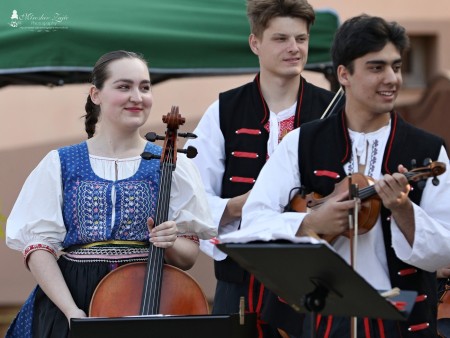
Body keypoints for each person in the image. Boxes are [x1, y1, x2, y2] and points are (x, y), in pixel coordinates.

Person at [234, 14, 450, 337]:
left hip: (403, 318)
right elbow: (252, 222)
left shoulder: (429, 149)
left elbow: (446, 247)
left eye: (397, 66)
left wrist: (404, 210)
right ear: (344, 74)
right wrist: (309, 224)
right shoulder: (302, 142)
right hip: (324, 318)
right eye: (376, 68)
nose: (391, 78)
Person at [5, 50, 216, 338]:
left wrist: (170, 242)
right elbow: (39, 247)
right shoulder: (60, 162)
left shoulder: (173, 164)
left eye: (144, 87)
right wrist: (71, 311)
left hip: (147, 298)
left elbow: (188, 255)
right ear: (96, 94)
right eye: (123, 86)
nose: (137, 96)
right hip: (71, 299)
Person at [185, 0, 343, 336]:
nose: (294, 48)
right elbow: (193, 197)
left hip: (311, 278)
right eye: (281, 39)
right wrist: (246, 203)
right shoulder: (225, 110)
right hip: (240, 279)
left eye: (301, 39)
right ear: (255, 42)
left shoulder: (331, 110)